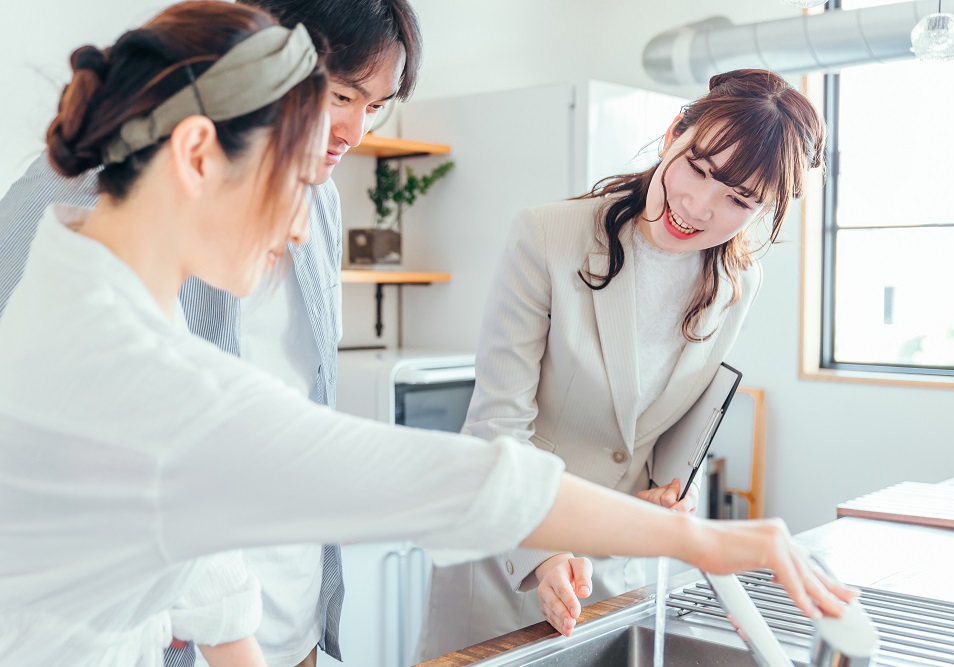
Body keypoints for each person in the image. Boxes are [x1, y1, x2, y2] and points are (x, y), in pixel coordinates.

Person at [0, 14, 858, 664]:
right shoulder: (155, 382)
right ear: (195, 156)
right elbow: (452, 479)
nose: (303, 233)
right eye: (300, 180)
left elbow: (197, 543)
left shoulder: (64, 276)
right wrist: (704, 538)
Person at [0, 0, 421, 665]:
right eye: (342, 95)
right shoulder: (87, 201)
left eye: (375, 107)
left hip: (286, 617)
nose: (354, 130)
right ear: (264, 58)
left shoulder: (322, 201)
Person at [417, 68, 829, 660]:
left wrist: (665, 495)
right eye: (698, 168)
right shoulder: (548, 237)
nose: (696, 204)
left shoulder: (738, 282)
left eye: (737, 199)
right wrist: (545, 550)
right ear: (673, 135)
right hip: (509, 553)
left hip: (617, 566)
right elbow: (496, 427)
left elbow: (652, 432)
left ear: (765, 209)